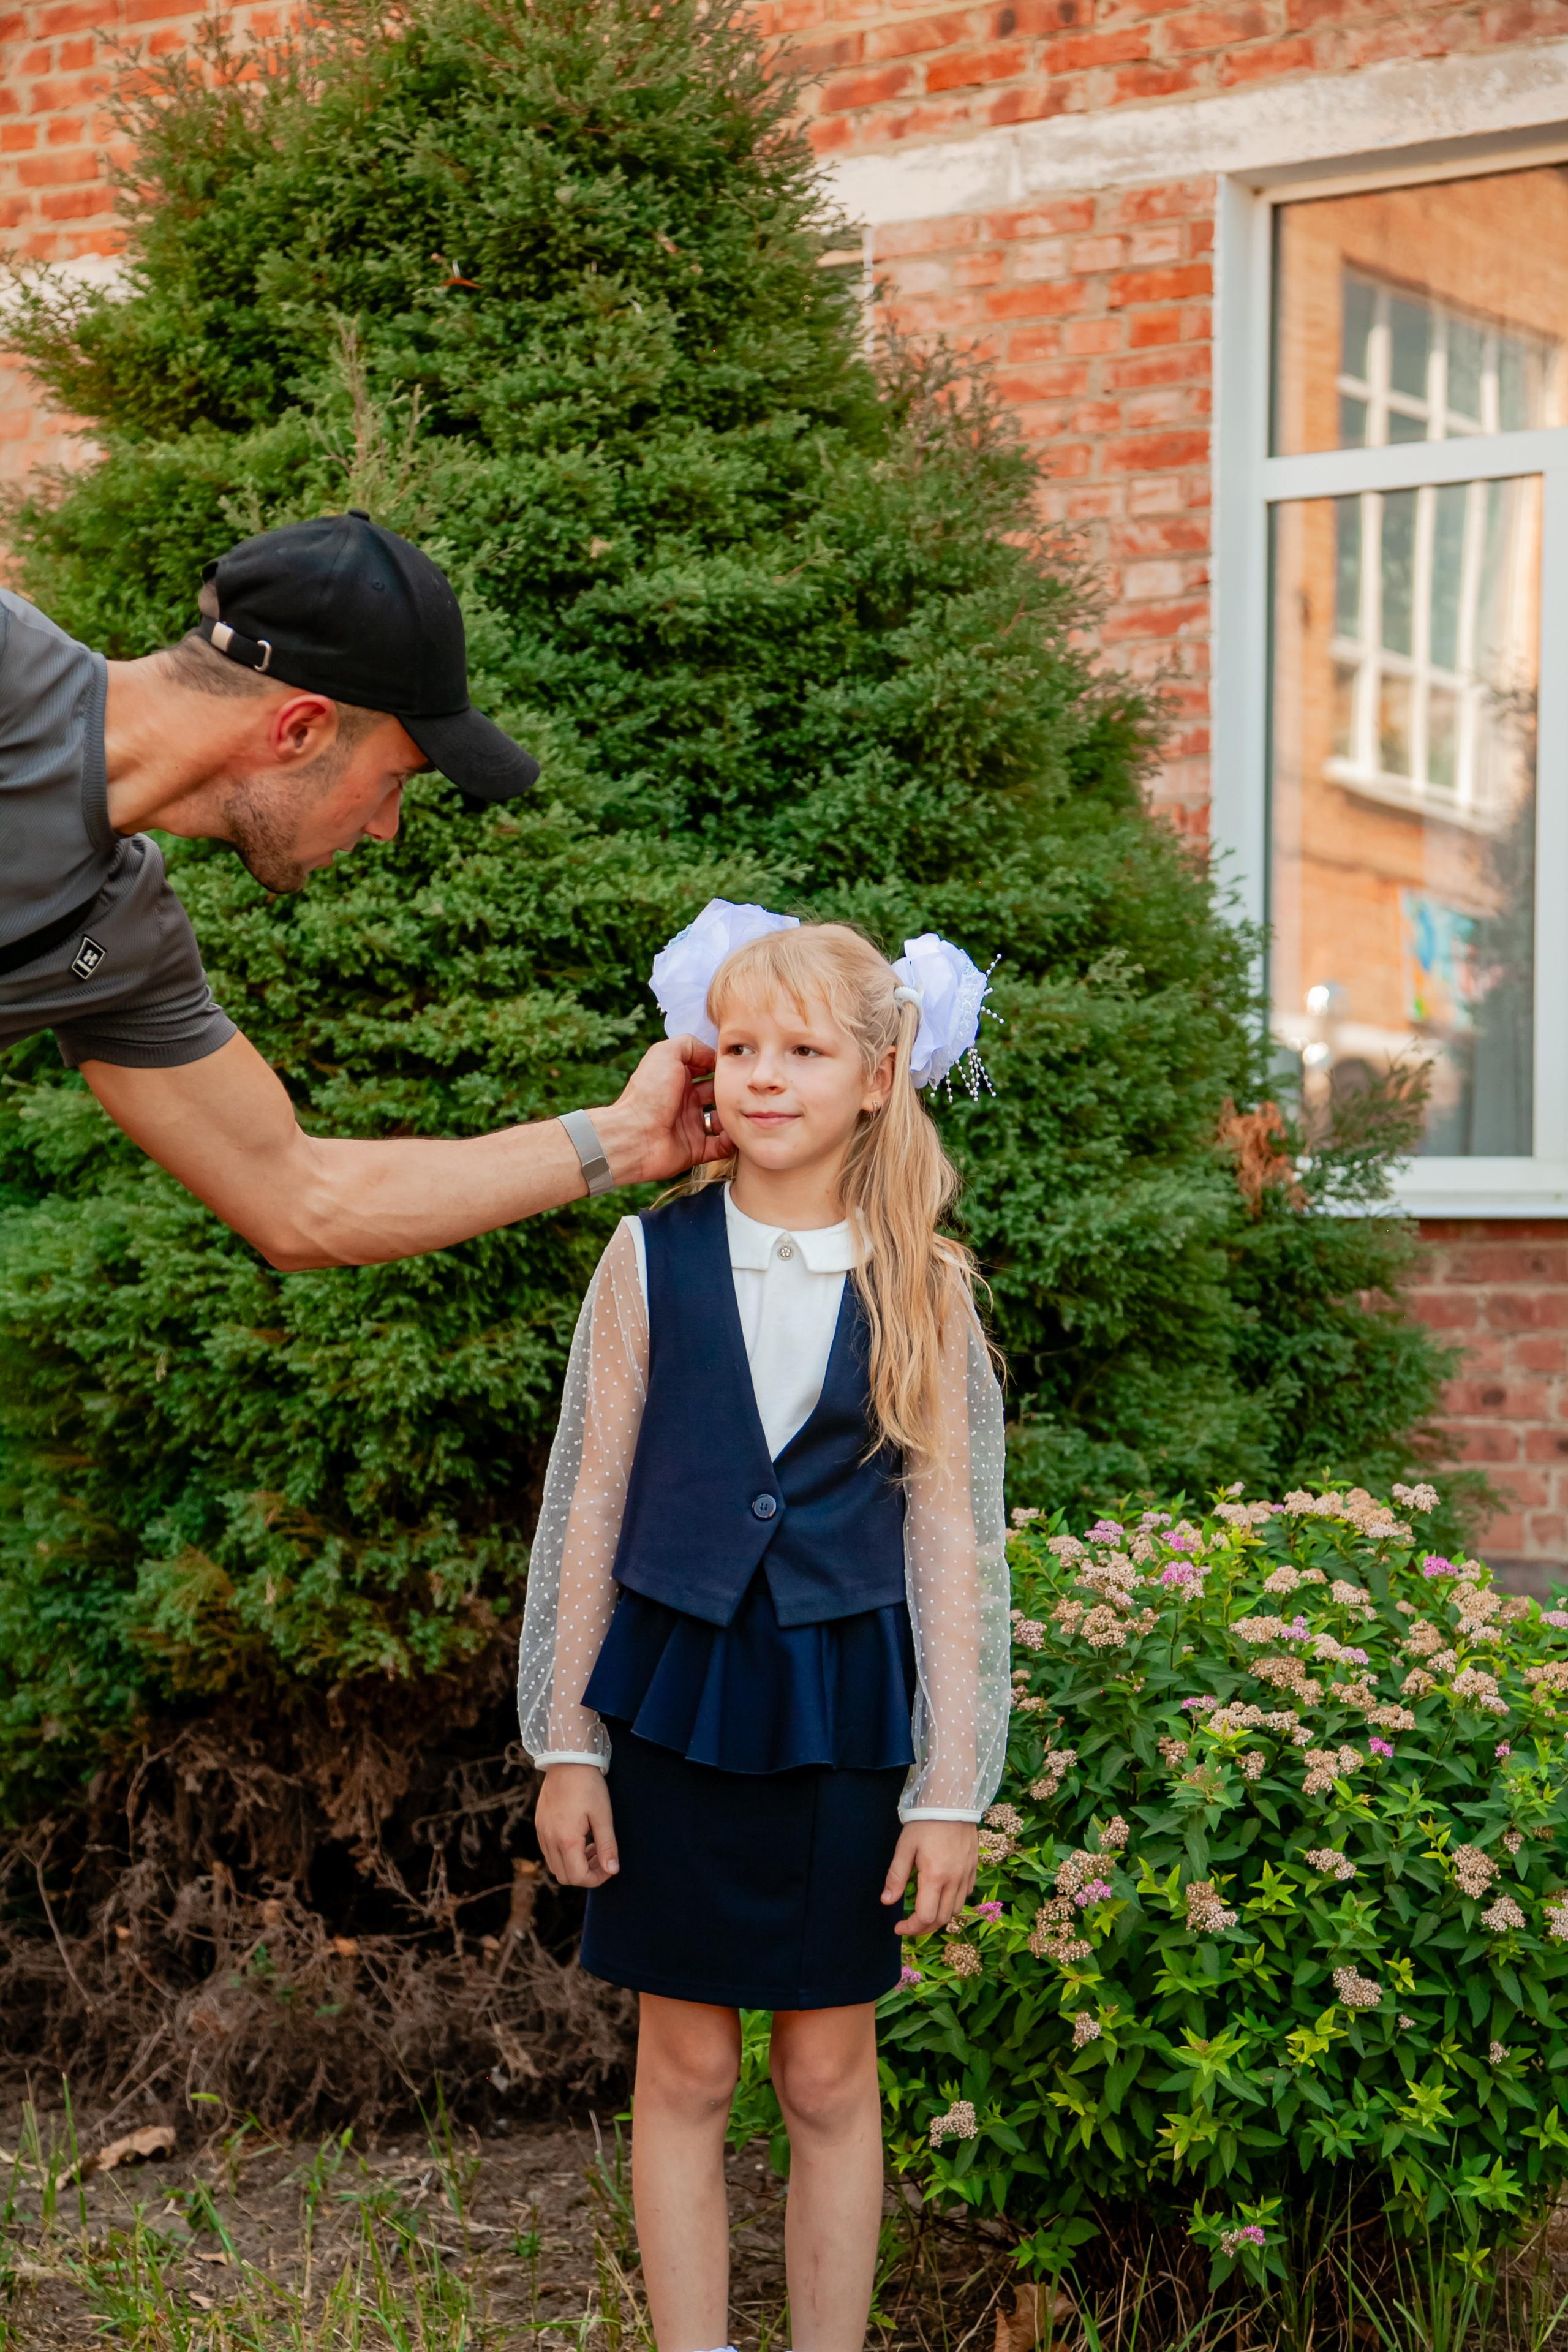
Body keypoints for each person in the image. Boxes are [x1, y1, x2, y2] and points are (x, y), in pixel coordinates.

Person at [519, 903, 1010, 2352]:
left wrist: (950, 1787)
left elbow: (951, 1546)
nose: (763, 1073)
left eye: (801, 1047)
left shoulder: (921, 1279)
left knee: (825, 2071)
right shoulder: (645, 1259)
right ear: (705, 1066)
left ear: (876, 1075)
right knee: (678, 2064)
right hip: (673, 1706)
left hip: (843, 1720)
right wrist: (566, 1741)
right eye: (738, 1046)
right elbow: (586, 1504)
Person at [0, 510, 723, 1267]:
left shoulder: (125, 939)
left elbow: (304, 1201)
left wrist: (628, 1137)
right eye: (394, 779)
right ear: (301, 731)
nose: (387, 826)